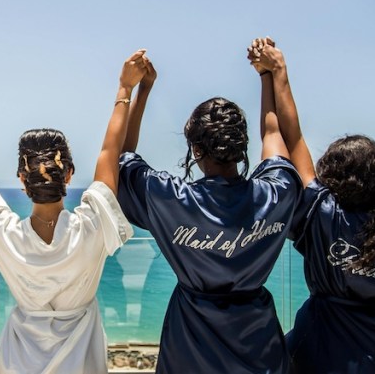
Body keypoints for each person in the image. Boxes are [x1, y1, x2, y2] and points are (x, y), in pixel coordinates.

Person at [0, 50, 147, 374]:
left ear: (21, 178)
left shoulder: (5, 234)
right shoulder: (92, 225)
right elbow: (111, 151)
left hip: (18, 360)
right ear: (69, 173)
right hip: (82, 360)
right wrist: (126, 88)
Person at [117, 49, 304, 374]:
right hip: (259, 351)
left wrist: (141, 90)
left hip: (189, 350)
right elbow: (274, 135)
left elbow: (121, 158)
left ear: (196, 149)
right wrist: (266, 76)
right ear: (240, 147)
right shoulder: (276, 194)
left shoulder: (171, 199)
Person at [248, 37, 375, 374]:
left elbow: (291, 138)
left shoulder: (322, 216)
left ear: (334, 179)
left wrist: (272, 73)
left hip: (321, 351)